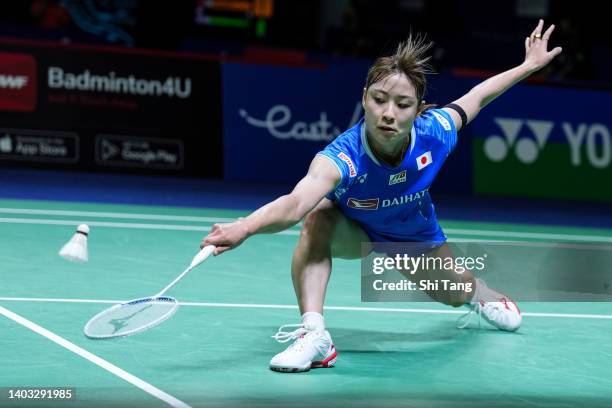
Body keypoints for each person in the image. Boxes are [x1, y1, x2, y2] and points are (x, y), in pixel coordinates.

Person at [201, 20, 562, 373]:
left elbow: (479, 96)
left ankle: (479, 295)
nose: (388, 113)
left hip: (414, 238)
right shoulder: (342, 157)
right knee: (317, 218)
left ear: (419, 108)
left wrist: (529, 65)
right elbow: (296, 203)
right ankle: (315, 335)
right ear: (365, 98)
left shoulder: (434, 132)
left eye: (403, 104)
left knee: (455, 292)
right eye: (379, 99)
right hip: (355, 230)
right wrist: (245, 227)